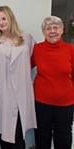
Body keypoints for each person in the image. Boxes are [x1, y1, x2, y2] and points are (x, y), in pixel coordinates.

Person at [0, 6, 37, 149]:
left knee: (18, 133)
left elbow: (35, 61)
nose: (1, 22)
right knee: (4, 133)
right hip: (3, 94)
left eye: (3, 18)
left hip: (22, 92)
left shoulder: (26, 38)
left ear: (10, 18)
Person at [31, 16, 74, 149]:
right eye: (48, 28)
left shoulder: (71, 50)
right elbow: (24, 69)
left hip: (65, 103)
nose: (52, 31)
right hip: (41, 102)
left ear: (62, 30)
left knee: (64, 137)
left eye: (56, 27)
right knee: (42, 136)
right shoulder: (37, 49)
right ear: (43, 32)